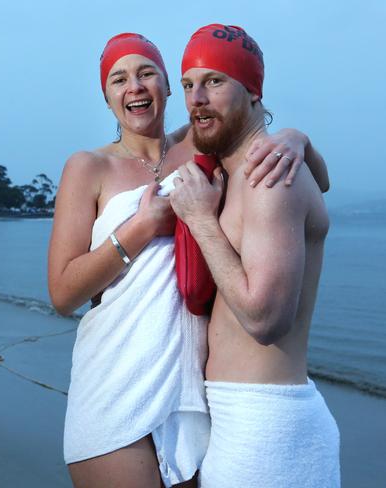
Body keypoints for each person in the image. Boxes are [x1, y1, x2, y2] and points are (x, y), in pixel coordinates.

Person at [48, 33, 330, 488]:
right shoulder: (87, 167)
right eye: (119, 79)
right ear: (107, 97)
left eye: (146, 74)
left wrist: (296, 141)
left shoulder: (201, 149)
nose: (134, 86)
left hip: (191, 395)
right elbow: (62, 294)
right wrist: (138, 230)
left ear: (164, 87)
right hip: (116, 380)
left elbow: (317, 183)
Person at [169, 24, 340, 487]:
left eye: (215, 81)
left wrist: (200, 220)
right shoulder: (251, 165)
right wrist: (299, 139)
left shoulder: (267, 175)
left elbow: (266, 320)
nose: (196, 97)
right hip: (241, 418)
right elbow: (319, 185)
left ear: (253, 91)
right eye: (187, 85)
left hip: (264, 425)